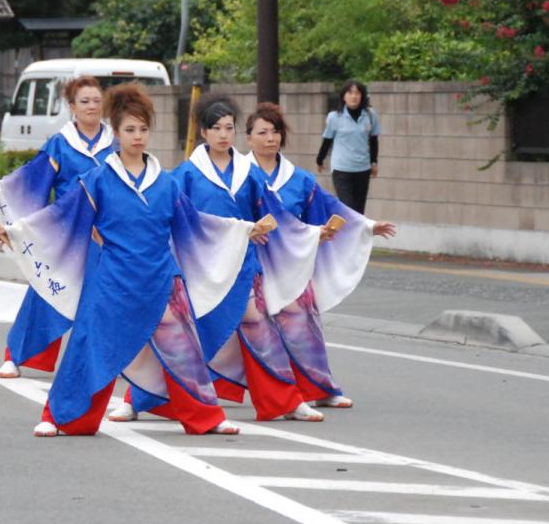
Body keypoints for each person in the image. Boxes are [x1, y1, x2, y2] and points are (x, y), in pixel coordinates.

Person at [0, 84, 276, 437]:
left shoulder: (166, 183)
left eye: (143, 129)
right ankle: (60, 415)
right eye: (129, 130)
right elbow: (60, 218)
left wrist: (243, 231)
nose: (138, 137)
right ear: (117, 133)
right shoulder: (98, 179)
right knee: (88, 342)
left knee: (184, 346)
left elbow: (198, 225)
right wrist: (14, 232)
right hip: (112, 279)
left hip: (162, 277)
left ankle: (206, 417)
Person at [163, 94, 327, 424]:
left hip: (242, 267)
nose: (224, 135)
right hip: (201, 269)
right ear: (203, 133)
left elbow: (272, 213)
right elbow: (172, 217)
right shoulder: (185, 175)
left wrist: (310, 233)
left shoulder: (248, 174)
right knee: (184, 335)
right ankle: (141, 398)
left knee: (261, 330)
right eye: (217, 128)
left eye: (229, 128)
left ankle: (287, 401)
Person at [245, 102, 396, 408]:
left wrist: (366, 226)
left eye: (275, 131)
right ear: (249, 138)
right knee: (223, 326)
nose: (270, 138)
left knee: (303, 323)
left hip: (293, 263)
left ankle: (319, 388)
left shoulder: (299, 178)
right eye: (262, 132)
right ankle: (168, 393)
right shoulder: (239, 175)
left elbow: (330, 208)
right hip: (251, 263)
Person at [0, 76, 114, 379]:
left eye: (96, 101)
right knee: (47, 291)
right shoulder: (60, 144)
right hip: (64, 231)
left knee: (106, 299)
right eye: (84, 101)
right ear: (72, 107)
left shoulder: (115, 142)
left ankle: (110, 364)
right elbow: (32, 179)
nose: (91, 106)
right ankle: (16, 355)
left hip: (107, 232)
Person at [316, 79, 380, 215]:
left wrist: (374, 162)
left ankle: (356, 236)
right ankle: (346, 235)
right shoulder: (334, 117)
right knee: (348, 207)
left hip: (363, 168)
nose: (354, 96)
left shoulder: (370, 115)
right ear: (344, 96)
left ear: (362, 96)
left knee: (359, 210)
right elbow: (327, 140)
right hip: (341, 168)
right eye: (350, 93)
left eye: (357, 93)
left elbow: (374, 140)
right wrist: (319, 160)